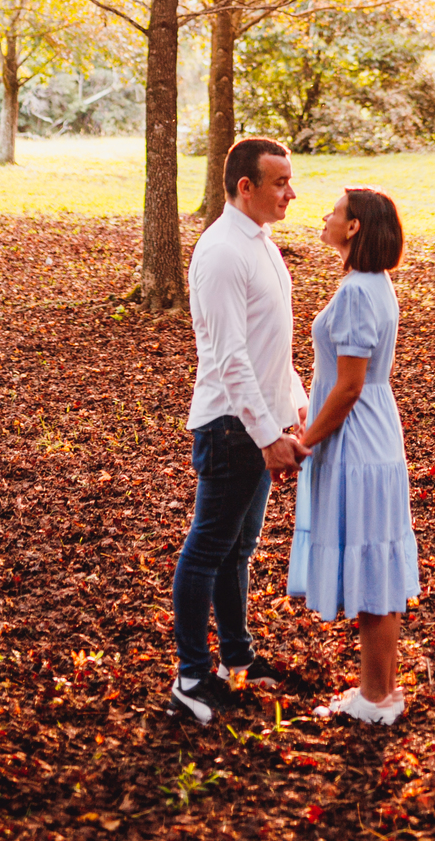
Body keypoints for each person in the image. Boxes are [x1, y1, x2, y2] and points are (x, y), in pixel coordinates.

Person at [170, 136, 309, 724]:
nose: (291, 192)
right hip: (232, 426)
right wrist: (267, 436)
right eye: (280, 182)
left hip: (259, 421)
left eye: (290, 180)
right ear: (245, 187)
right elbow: (229, 357)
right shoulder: (224, 251)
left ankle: (237, 660)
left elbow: (269, 346)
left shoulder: (260, 242)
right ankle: (190, 678)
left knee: (237, 550)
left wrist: (296, 405)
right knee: (207, 550)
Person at [287, 186, 420, 725]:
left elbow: (348, 387)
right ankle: (380, 693)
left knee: (371, 566)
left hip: (357, 441)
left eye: (335, 211)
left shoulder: (359, 292)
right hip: (371, 435)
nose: (324, 216)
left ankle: (375, 698)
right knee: (375, 563)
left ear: (355, 227)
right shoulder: (372, 284)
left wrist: (306, 442)